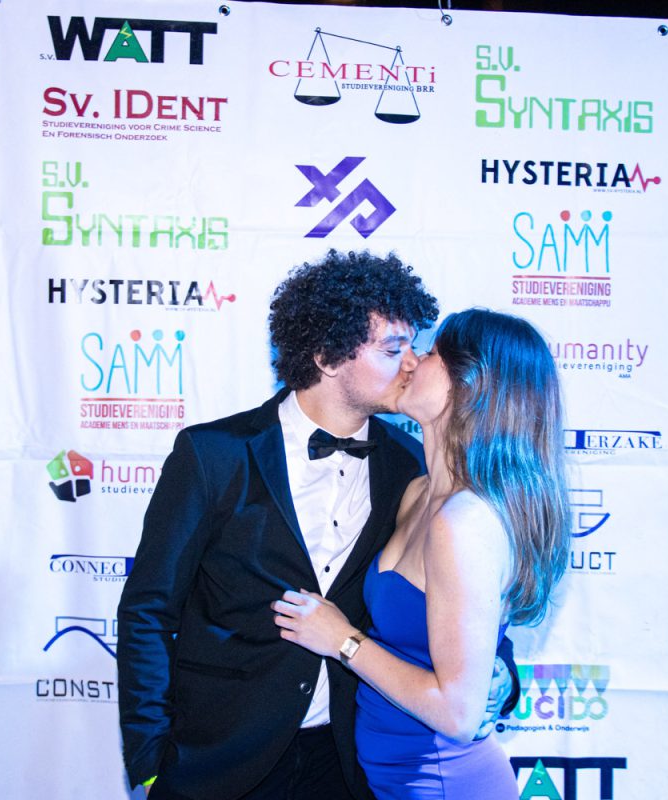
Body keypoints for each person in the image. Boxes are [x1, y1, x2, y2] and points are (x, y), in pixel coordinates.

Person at [117, 251, 516, 800]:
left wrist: (500, 671)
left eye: (413, 346)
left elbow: (459, 594)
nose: (411, 363)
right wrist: (148, 763)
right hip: (221, 759)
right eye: (392, 349)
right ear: (327, 356)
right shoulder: (214, 456)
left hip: (349, 762)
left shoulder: (408, 467)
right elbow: (148, 610)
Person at [273, 308, 571, 800]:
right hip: (387, 779)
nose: (410, 361)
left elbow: (458, 713)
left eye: (430, 353)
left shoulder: (465, 521)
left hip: (441, 783)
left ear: (470, 386)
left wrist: (342, 640)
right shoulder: (417, 492)